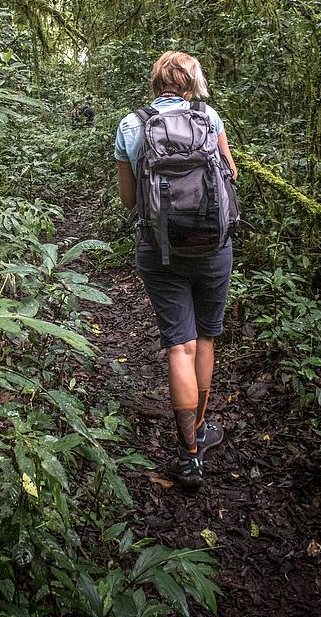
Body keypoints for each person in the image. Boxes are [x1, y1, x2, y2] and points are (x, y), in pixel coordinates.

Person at [113, 51, 239, 490]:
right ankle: (200, 432)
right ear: (192, 83)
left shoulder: (132, 125)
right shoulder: (209, 117)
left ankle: (188, 459)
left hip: (159, 249)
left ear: (156, 82)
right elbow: (231, 174)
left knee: (179, 348)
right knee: (205, 339)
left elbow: (130, 200)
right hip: (213, 247)